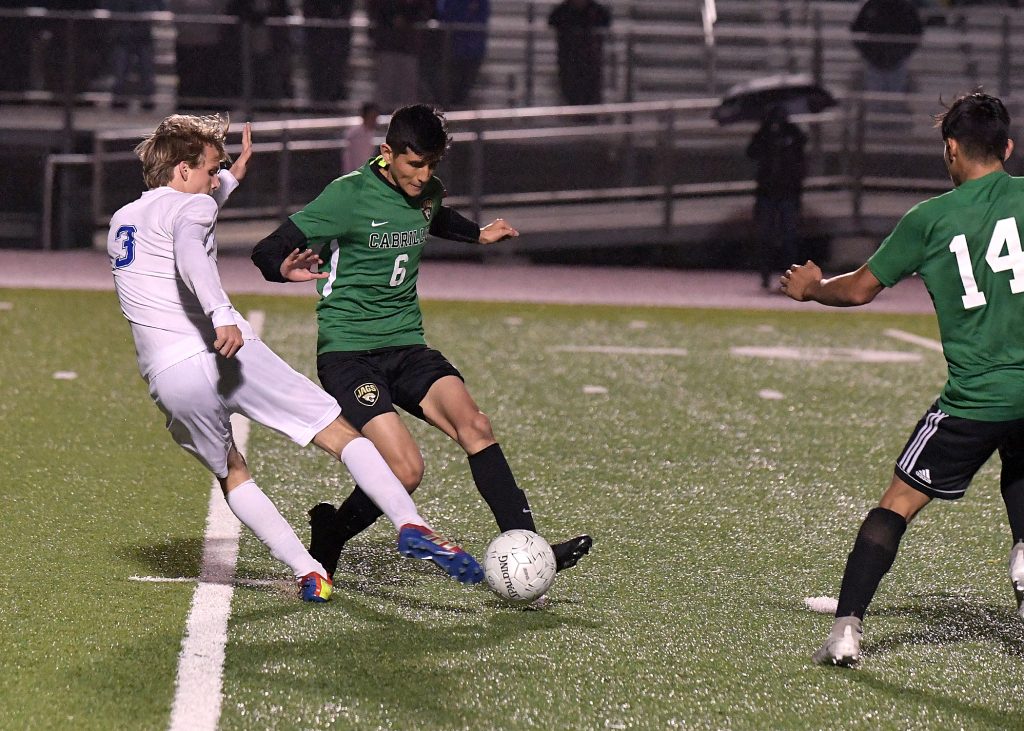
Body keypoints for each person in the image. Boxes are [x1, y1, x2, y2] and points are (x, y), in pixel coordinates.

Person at [107, 114, 485, 603]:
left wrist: (230, 177)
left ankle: (310, 572)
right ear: (183, 170)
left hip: (168, 375)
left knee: (232, 472)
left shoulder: (124, 220)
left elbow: (181, 215)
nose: (214, 181)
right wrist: (220, 313)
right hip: (224, 351)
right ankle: (409, 522)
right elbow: (189, 249)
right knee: (340, 433)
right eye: (210, 170)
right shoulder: (193, 207)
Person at [251, 104, 593, 583]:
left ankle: (529, 546)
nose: (424, 176)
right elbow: (266, 248)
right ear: (387, 153)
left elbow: (431, 216)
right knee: (406, 470)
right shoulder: (347, 195)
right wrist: (280, 268)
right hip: (349, 355)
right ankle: (332, 532)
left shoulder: (426, 189)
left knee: (476, 425)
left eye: (432, 165)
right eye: (414, 164)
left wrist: (477, 234)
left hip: (408, 345)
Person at [781, 92, 1024, 666]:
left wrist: (812, 289)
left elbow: (859, 289)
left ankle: (846, 630)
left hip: (973, 399)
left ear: (951, 149)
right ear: (1008, 148)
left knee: (898, 501)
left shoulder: (929, 219)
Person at [746, 106, 807, 290]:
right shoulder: (764, 134)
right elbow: (751, 152)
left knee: (789, 237)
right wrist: (765, 136)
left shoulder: (794, 134)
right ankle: (765, 274)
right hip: (768, 191)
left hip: (787, 191)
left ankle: (790, 277)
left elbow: (800, 158)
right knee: (766, 236)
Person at [367, 0, 434, 112]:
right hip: (386, 43)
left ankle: (406, 117)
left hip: (409, 45)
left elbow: (425, 9)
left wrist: (408, 17)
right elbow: (375, 7)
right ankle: (383, 116)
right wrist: (392, 17)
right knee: (385, 86)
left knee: (408, 89)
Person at [548, 0, 611, 106]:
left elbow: (606, 21)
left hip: (591, 62)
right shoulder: (562, 11)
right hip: (568, 62)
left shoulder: (597, 11)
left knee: (590, 96)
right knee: (569, 94)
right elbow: (552, 21)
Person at [433, 0, 490, 108]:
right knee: (449, 88)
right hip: (450, 49)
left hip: (472, 51)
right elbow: (444, 14)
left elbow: (481, 18)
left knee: (464, 88)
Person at [302, 0, 354, 104]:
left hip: (337, 37)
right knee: (319, 71)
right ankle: (319, 100)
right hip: (318, 37)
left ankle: (334, 98)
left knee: (336, 70)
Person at [342, 101, 380, 174]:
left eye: (375, 117)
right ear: (364, 117)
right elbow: (357, 161)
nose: (374, 121)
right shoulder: (356, 134)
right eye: (372, 117)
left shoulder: (370, 133)